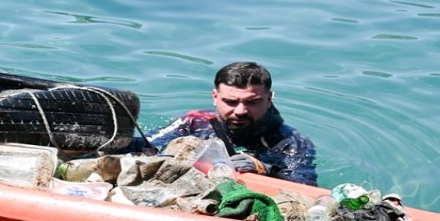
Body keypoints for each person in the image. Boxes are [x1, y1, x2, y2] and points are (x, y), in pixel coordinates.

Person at [131, 62, 318, 186]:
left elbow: (305, 184)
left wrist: (266, 169)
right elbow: (146, 145)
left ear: (268, 99)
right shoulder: (194, 122)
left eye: (252, 102)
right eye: (231, 101)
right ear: (215, 97)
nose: (240, 111)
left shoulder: (291, 142)